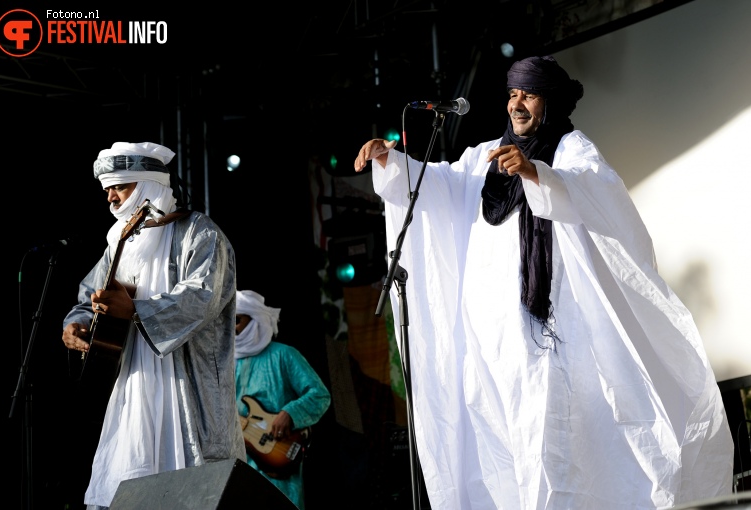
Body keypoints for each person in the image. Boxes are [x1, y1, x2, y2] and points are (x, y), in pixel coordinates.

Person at [353, 56, 734, 509]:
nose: (517, 104)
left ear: (548, 102)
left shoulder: (571, 149)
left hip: (548, 336)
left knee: (551, 448)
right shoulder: (484, 156)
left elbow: (595, 192)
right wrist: (390, 160)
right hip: (489, 339)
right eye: (513, 94)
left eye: (528, 95)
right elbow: (439, 185)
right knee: (497, 446)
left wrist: (537, 172)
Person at [61, 141, 245, 509]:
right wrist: (78, 323)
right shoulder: (121, 242)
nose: (111, 197)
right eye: (108, 189)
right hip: (134, 385)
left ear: (147, 185)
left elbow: (203, 297)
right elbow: (91, 293)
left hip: (185, 384)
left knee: (194, 490)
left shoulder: (199, 233)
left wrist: (136, 309)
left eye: (119, 187)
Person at [234, 290, 331, 509]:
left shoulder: (284, 355)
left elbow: (320, 395)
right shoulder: (223, 365)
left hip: (277, 461)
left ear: (255, 320)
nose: (232, 328)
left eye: (237, 320)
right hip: (239, 463)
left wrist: (290, 413)